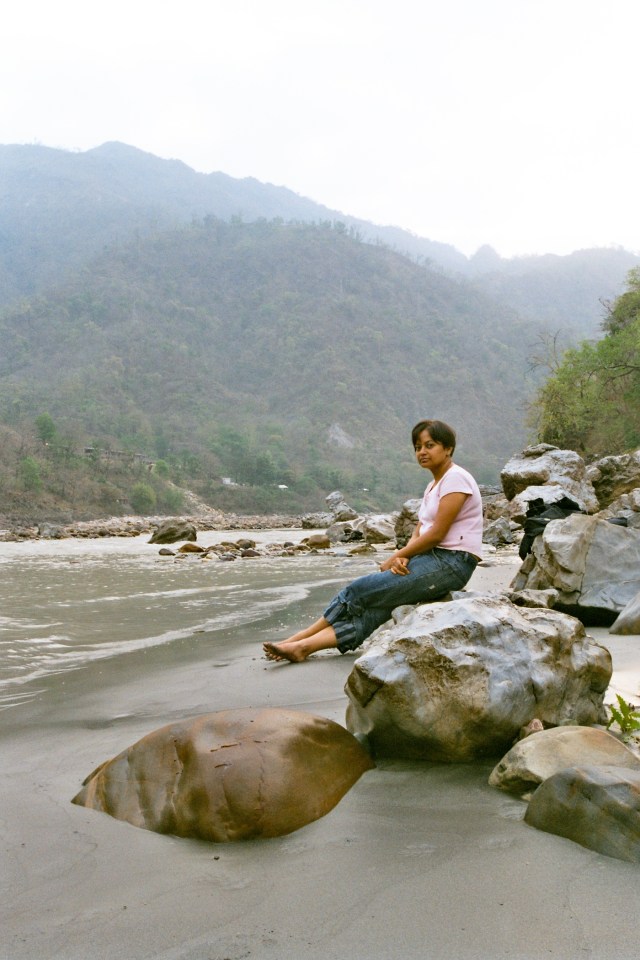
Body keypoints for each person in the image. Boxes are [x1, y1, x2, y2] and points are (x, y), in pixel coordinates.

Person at [263, 419, 483, 663]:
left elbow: (437, 533)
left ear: (448, 448)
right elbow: (421, 529)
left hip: (452, 563)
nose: (422, 452)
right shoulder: (433, 485)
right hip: (434, 559)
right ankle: (303, 647)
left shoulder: (456, 478)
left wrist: (395, 556)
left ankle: (297, 638)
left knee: (360, 589)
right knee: (379, 608)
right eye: (417, 447)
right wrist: (404, 556)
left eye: (429, 445)